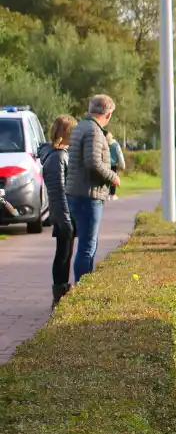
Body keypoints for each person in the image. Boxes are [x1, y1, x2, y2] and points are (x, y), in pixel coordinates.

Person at [65, 95, 120, 283]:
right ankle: (82, 289)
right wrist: (113, 177)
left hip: (77, 192)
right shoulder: (95, 132)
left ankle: (81, 287)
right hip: (88, 194)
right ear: (109, 114)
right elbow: (93, 162)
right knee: (88, 246)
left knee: (86, 244)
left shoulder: (80, 127)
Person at [38, 115, 78, 306]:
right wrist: (65, 219)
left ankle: (61, 290)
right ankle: (59, 294)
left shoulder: (58, 154)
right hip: (63, 213)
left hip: (64, 212)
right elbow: (58, 191)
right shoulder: (58, 157)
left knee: (65, 252)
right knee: (63, 254)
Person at [107, 130, 125, 200]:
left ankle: (107, 194)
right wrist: (122, 165)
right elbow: (120, 155)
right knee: (113, 179)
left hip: (106, 164)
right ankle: (113, 194)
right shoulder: (116, 145)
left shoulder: (105, 144)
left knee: (107, 179)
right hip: (114, 164)